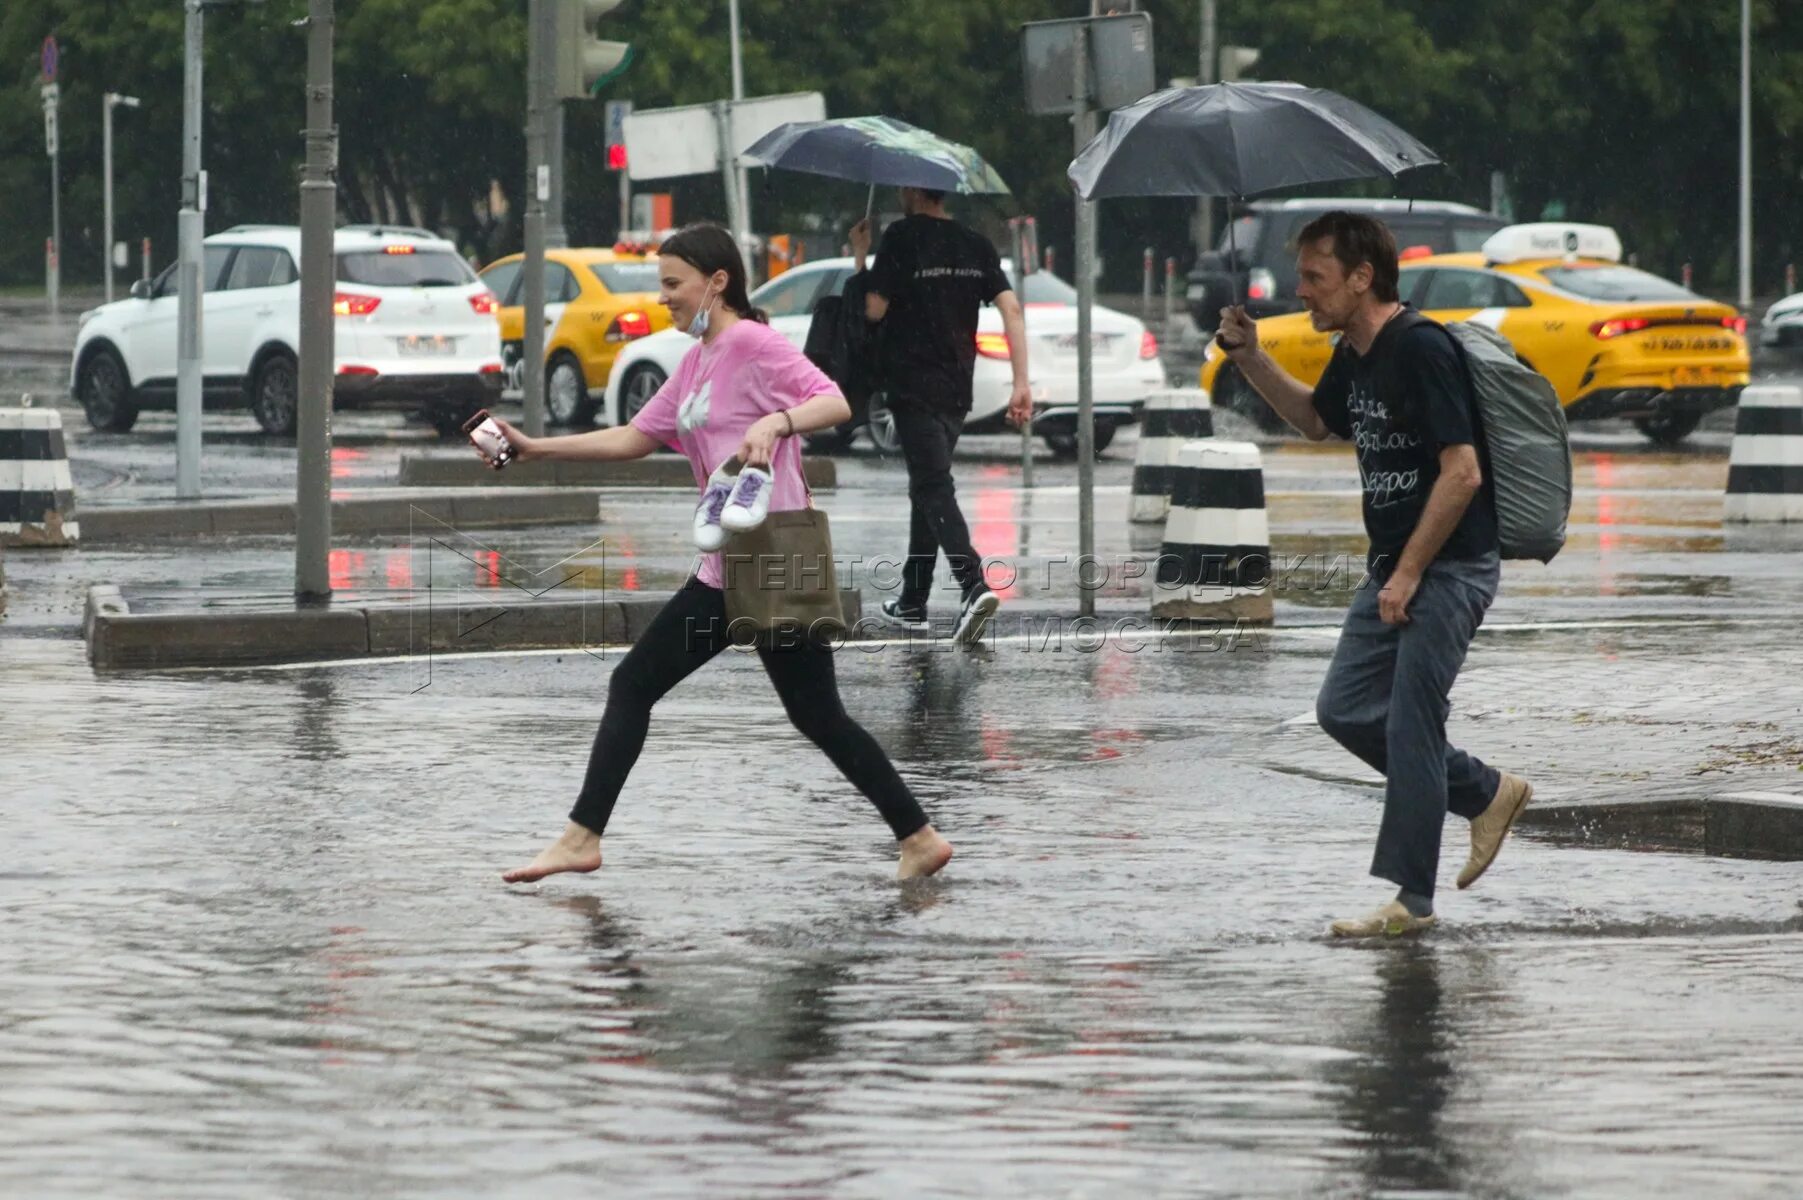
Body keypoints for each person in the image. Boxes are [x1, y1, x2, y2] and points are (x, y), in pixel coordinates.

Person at [481, 223, 955, 885]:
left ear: (717, 282)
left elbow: (834, 401)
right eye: (661, 286)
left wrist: (774, 421)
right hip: (725, 568)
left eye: (673, 284)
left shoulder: (753, 344)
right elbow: (635, 437)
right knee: (800, 711)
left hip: (769, 560)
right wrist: (535, 447)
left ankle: (582, 837)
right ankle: (918, 836)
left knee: (664, 689)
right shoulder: (697, 361)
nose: (664, 298)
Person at [1214, 210, 1533, 938]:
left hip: (1446, 567)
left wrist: (1410, 574)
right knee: (1344, 709)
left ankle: (1409, 902)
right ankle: (1484, 794)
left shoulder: (1419, 347)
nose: (1302, 292)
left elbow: (1462, 472)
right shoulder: (1356, 351)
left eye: (1315, 278)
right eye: (1302, 277)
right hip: (1395, 566)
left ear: (1362, 278)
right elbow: (1314, 421)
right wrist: (1247, 356)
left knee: (1412, 723)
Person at [849, 186, 1033, 644]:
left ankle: (972, 585)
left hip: (912, 384)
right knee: (927, 488)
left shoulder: (900, 237)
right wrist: (1021, 382)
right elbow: (1010, 307)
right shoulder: (975, 242)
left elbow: (873, 309)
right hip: (957, 387)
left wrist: (860, 258)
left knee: (932, 486)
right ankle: (913, 600)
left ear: (911, 190)